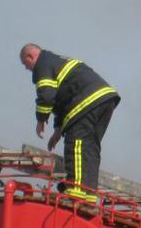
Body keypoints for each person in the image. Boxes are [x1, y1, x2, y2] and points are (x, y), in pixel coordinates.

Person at [19, 43, 120, 203]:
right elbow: (61, 102)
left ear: (31, 57)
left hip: (87, 101)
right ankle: (89, 193)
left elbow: (46, 96)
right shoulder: (55, 62)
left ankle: (76, 189)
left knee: (76, 143)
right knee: (90, 147)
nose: (27, 69)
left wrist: (41, 120)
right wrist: (58, 131)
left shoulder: (43, 65)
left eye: (25, 64)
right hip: (105, 100)